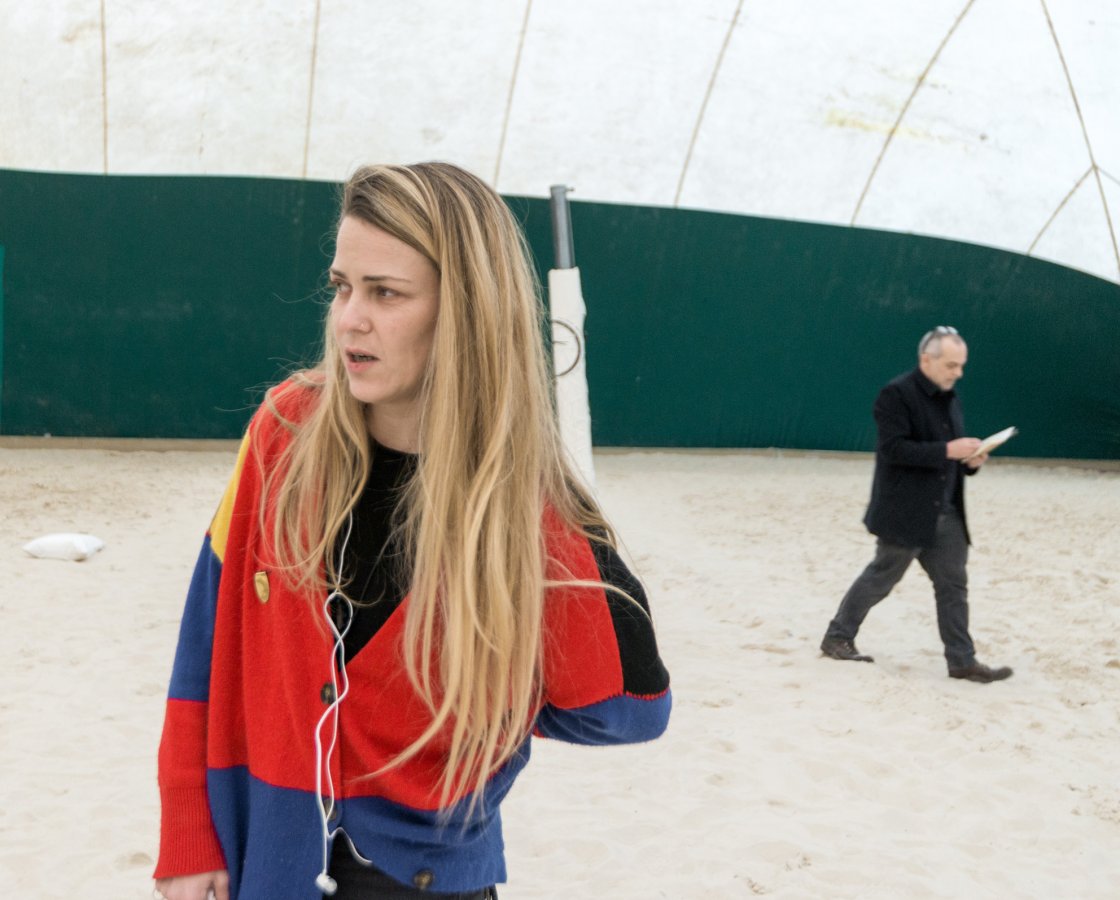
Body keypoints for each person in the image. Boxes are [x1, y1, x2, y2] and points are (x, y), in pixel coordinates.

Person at [152, 162, 671, 900]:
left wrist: (489, 698)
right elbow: (204, 643)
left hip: (430, 879)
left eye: (385, 293)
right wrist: (187, 832)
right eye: (342, 287)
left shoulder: (521, 507)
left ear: (465, 311)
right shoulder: (283, 433)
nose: (349, 319)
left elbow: (628, 710)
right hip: (265, 860)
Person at [819, 326, 1012, 684]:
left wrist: (970, 461)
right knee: (882, 577)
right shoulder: (895, 394)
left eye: (961, 365)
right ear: (927, 359)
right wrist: (948, 450)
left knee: (954, 586)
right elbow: (893, 449)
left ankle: (962, 661)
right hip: (905, 512)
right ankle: (837, 637)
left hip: (947, 512)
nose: (958, 373)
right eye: (951, 365)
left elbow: (949, 456)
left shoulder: (950, 397)